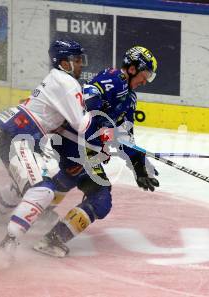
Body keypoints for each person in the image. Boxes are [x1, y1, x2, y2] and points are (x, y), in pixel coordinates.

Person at [32, 45, 160, 258]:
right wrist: (98, 138)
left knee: (68, 176)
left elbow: (123, 136)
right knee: (101, 200)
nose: (145, 81)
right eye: (145, 74)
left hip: (81, 148)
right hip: (74, 143)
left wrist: (139, 165)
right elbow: (84, 107)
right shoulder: (113, 80)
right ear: (132, 68)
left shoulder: (130, 98)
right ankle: (51, 239)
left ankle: (17, 208)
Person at [0, 39, 90, 263]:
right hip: (21, 138)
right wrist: (107, 134)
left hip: (19, 137)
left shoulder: (57, 78)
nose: (81, 64)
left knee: (37, 180)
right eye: (77, 60)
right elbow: (81, 124)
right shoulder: (68, 83)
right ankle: (7, 244)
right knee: (43, 190)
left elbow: (62, 123)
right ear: (63, 63)